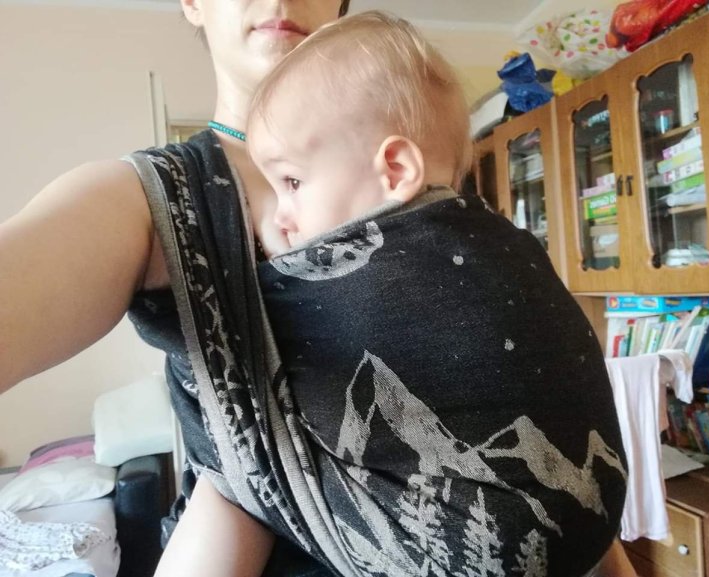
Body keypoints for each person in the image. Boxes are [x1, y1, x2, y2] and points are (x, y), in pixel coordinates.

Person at [0, 2, 637, 575]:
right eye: (281, 185)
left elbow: (544, 412)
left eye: (294, 184)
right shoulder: (145, 201)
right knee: (227, 491)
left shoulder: (444, 224)